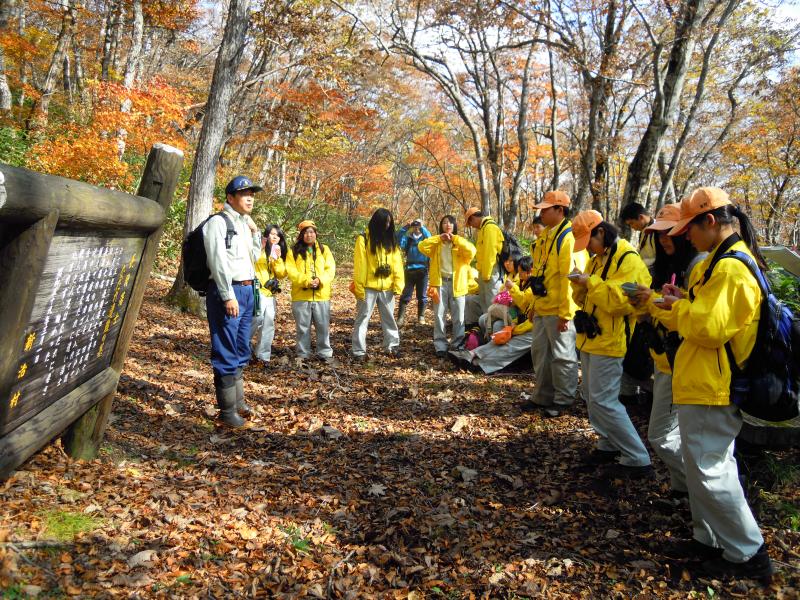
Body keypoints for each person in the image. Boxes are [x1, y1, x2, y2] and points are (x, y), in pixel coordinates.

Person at [645, 187, 773, 579]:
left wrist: (678, 306)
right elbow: (701, 313)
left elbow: (709, 326)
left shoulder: (733, 267)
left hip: (715, 385)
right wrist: (676, 301)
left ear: (711, 222)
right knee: (705, 466)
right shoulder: (716, 264)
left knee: (711, 469)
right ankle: (709, 538)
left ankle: (748, 553)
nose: (686, 238)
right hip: (701, 378)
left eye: (690, 230)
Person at [570, 210, 653, 478]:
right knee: (592, 399)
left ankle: (637, 457)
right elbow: (584, 297)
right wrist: (580, 283)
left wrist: (589, 282)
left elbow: (620, 302)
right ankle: (607, 443)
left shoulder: (628, 259)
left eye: (589, 242)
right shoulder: (598, 259)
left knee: (605, 401)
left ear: (601, 232)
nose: (589, 249)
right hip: (590, 338)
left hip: (611, 341)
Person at [630, 203, 704, 498]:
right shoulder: (666, 267)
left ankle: (701, 492)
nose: (663, 241)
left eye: (669, 234)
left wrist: (654, 302)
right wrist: (644, 305)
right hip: (664, 359)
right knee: (671, 434)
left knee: (660, 435)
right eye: (659, 236)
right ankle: (682, 489)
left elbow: (696, 318)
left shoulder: (700, 266)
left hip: (684, 364)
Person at [204, 175, 263, 428]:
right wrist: (228, 295)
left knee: (241, 347)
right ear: (230, 197)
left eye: (251, 193)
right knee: (226, 348)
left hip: (248, 291)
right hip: (229, 292)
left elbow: (254, 258)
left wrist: (255, 231)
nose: (249, 197)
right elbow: (217, 261)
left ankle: (237, 403)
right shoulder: (218, 223)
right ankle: (227, 413)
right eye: (244, 193)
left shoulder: (242, 224)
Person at [527, 190, 580, 418]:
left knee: (562, 356)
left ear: (560, 210)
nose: (542, 213)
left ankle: (563, 400)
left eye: (546, 209)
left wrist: (566, 313)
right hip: (542, 306)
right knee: (540, 354)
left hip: (559, 309)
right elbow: (541, 273)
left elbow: (570, 278)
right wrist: (533, 304)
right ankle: (542, 396)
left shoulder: (568, 238)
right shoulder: (546, 236)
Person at [418, 215, 476, 357]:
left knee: (459, 317)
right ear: (441, 226)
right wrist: (439, 238)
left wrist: (455, 239)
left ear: (454, 225)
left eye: (450, 222)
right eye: (444, 222)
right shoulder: (436, 244)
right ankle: (440, 346)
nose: (447, 224)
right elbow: (421, 246)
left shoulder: (460, 243)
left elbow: (472, 251)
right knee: (439, 315)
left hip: (458, 284)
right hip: (439, 284)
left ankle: (458, 344)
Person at [352, 208, 405, 360]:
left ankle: (392, 346)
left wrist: (398, 284)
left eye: (389, 222)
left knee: (389, 319)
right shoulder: (364, 239)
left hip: (387, 287)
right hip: (368, 287)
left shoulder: (391, 240)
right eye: (384, 222)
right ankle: (359, 351)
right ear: (377, 222)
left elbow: (397, 264)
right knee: (362, 319)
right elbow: (360, 265)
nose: (387, 225)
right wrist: (360, 287)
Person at [470, 255, 536, 374]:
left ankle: (481, 363)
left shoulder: (535, 287)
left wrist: (514, 329)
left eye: (522, 272)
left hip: (530, 328)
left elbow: (524, 306)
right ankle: (474, 354)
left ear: (530, 271)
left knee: (508, 342)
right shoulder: (520, 280)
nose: (519, 274)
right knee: (494, 328)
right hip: (518, 321)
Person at [284, 220, 336, 364]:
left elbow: (330, 269)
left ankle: (325, 353)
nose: (309, 235)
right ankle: (303, 353)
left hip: (321, 295)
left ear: (316, 233)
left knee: (323, 326)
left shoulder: (324, 249)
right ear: (301, 235)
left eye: (312, 232)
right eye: (306, 232)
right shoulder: (293, 251)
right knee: (302, 328)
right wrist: (306, 281)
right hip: (301, 296)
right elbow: (291, 271)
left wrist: (320, 280)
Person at [252, 224, 287, 364]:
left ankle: (263, 356)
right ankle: (241, 348)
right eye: (272, 234)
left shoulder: (276, 252)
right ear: (267, 234)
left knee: (268, 324)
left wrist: (277, 258)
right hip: (256, 290)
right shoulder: (259, 247)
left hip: (269, 293)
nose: (274, 237)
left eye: (277, 235)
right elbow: (252, 261)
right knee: (256, 319)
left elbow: (281, 273)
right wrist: (261, 247)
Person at [464, 207, 505, 313]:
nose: (472, 226)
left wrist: (486, 274)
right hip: (485, 273)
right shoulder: (483, 229)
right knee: (485, 304)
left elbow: (490, 252)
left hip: (491, 272)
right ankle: (486, 327)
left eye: (471, 223)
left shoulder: (490, 228)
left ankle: (494, 328)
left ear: (473, 218)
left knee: (493, 304)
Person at [397, 219, 432, 326]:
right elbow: (398, 241)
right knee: (405, 295)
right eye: (415, 225)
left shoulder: (425, 238)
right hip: (409, 270)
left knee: (422, 296)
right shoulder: (408, 239)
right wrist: (405, 227)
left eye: (419, 225)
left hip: (423, 270)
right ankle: (400, 318)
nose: (416, 227)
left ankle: (421, 317)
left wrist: (422, 227)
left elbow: (431, 240)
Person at [620, 202, 657, 270]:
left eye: (632, 223)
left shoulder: (656, 231)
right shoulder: (643, 231)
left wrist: (638, 264)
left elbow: (658, 259)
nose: (631, 227)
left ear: (641, 217)